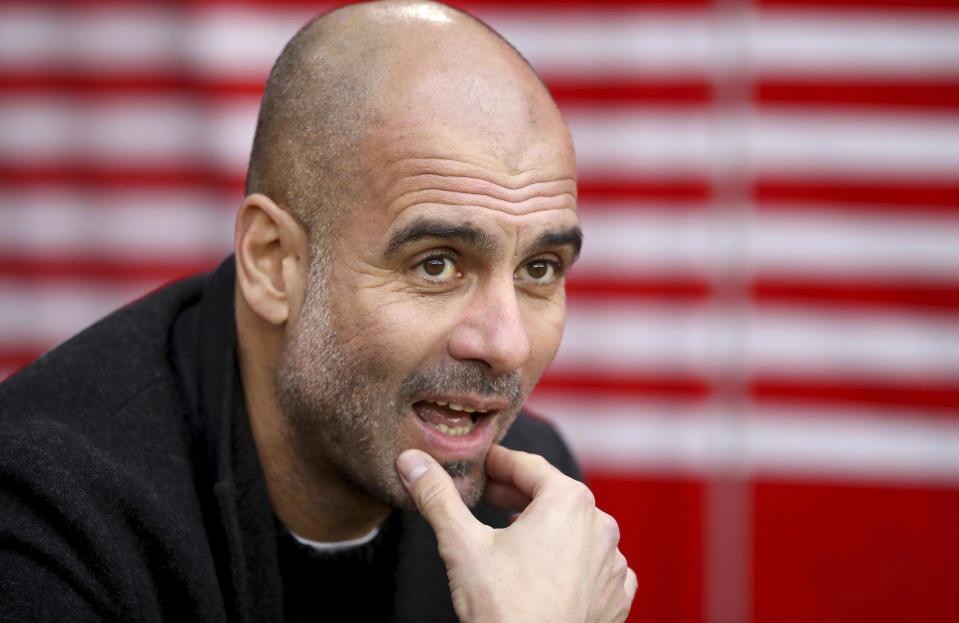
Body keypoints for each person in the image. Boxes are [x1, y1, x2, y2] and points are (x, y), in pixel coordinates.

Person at [0, 1, 637, 620]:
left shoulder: (528, 500)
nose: (507, 344)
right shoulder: (45, 508)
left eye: (539, 269)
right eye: (436, 263)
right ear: (273, 263)